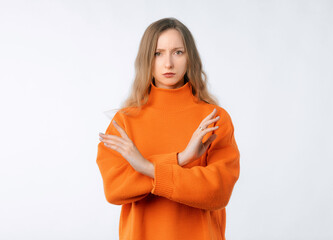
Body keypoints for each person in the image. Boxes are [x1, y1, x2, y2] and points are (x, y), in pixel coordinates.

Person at [96, 17, 240, 240]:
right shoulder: (124, 121)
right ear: (146, 59)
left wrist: (145, 167)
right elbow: (115, 189)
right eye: (158, 53)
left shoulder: (213, 118)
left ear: (190, 57)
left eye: (178, 52)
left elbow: (217, 192)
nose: (168, 64)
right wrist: (181, 159)